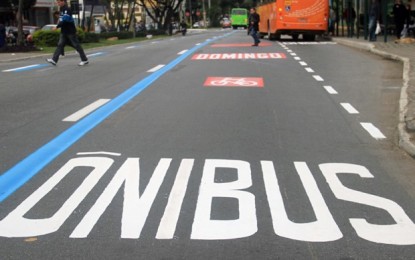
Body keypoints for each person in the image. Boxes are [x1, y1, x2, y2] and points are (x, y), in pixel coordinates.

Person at [46, 0, 88, 66]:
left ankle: (84, 60)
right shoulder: (61, 9)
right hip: (64, 31)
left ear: (63, 2)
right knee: (60, 45)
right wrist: (59, 25)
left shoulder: (67, 9)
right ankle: (54, 60)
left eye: (59, 2)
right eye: (57, 2)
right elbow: (61, 20)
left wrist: (57, 27)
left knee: (76, 45)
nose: (58, 3)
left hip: (70, 31)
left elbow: (65, 20)